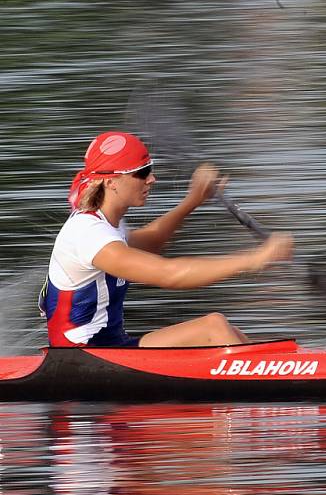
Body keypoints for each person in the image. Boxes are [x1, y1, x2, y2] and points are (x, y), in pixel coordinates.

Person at [40, 131, 293, 348]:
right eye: (142, 172)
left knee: (220, 327)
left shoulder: (107, 224)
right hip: (81, 357)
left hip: (112, 346)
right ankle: (274, 388)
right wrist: (255, 259)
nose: (152, 179)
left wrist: (193, 200)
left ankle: (283, 371)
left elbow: (150, 243)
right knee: (213, 328)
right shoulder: (87, 234)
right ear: (111, 181)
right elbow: (170, 273)